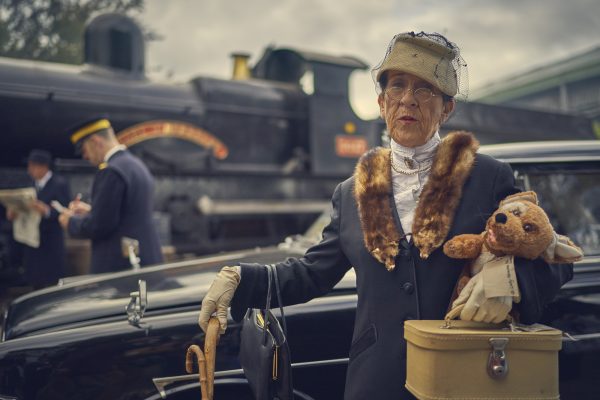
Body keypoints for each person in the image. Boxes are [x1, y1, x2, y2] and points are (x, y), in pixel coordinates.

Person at [198, 32, 574, 399]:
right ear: (381, 103)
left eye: (424, 89)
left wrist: (507, 283)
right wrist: (241, 279)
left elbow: (554, 255)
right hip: (377, 380)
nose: (408, 100)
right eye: (397, 86)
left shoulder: (488, 176)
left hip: (467, 377)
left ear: (447, 108)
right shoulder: (351, 194)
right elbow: (313, 273)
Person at [58, 117, 163, 273]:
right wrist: (93, 211)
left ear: (95, 141)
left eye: (84, 150)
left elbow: (99, 226)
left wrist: (70, 222)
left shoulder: (111, 171)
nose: (85, 157)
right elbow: (128, 212)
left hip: (119, 266)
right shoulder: (135, 165)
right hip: (143, 259)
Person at [6, 149, 70, 288]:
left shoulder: (59, 183)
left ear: (43, 166)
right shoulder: (31, 184)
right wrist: (15, 212)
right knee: (34, 280)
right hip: (32, 240)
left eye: (32, 166)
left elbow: (64, 209)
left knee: (50, 281)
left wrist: (46, 210)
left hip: (50, 242)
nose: (30, 170)